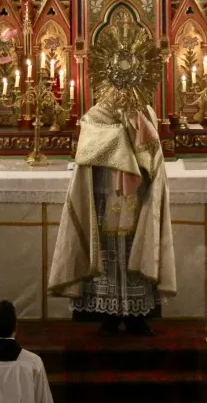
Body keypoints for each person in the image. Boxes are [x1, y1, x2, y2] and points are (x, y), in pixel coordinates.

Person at [48, 22, 175, 337]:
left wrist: (136, 133)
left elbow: (153, 156)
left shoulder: (144, 114)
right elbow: (87, 152)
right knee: (106, 253)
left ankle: (134, 313)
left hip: (136, 201)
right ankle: (105, 312)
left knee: (132, 251)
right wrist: (122, 138)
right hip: (104, 198)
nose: (121, 90)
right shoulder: (95, 116)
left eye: (127, 81)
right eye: (116, 82)